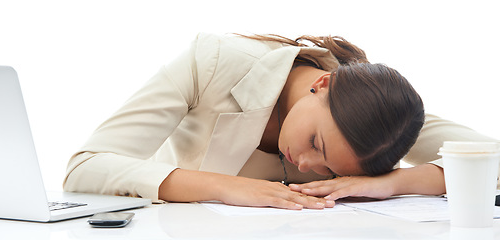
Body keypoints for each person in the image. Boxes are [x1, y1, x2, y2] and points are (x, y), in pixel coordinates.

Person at [63, 33, 498, 210]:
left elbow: (492, 160)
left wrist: (386, 183)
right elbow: (84, 167)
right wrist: (228, 187)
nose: (307, 164)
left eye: (330, 170)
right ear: (324, 83)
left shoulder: (382, 123)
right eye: (316, 143)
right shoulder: (214, 62)